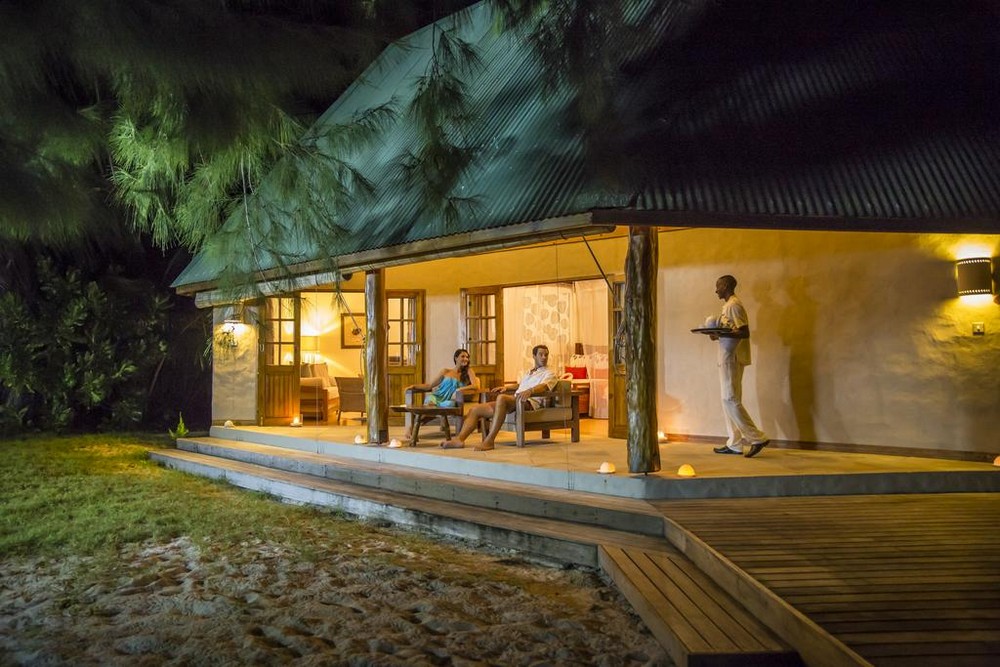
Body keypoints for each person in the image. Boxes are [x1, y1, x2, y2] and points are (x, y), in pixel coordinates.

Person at [441, 344, 558, 451]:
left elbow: (544, 386)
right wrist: (506, 388)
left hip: (528, 402)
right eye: (541, 354)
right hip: (515, 400)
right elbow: (520, 385)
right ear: (534, 356)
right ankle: (459, 440)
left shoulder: (550, 373)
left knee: (502, 398)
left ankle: (489, 441)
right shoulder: (529, 372)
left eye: (546, 355)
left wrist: (530, 391)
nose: (544, 357)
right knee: (475, 409)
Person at [707, 275, 770, 458]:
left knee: (730, 398)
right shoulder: (728, 306)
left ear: (726, 286)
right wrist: (717, 334)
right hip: (727, 356)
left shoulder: (734, 305)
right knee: (727, 400)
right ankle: (734, 443)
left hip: (732, 357)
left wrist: (720, 333)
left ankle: (757, 437)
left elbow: (744, 332)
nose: (716, 290)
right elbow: (731, 331)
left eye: (718, 286)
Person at [402, 349, 479, 440]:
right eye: (462, 356)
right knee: (431, 404)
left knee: (449, 404)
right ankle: (411, 428)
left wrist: (460, 389)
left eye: (467, 357)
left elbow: (475, 386)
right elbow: (430, 386)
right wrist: (414, 386)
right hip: (437, 396)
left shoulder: (468, 371)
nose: (465, 359)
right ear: (456, 358)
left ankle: (413, 427)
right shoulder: (445, 371)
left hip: (449, 400)